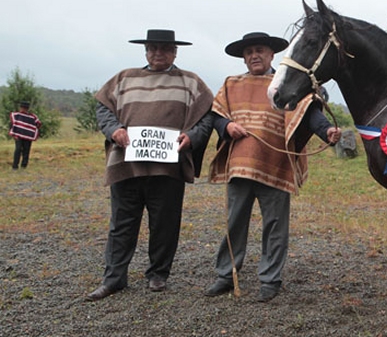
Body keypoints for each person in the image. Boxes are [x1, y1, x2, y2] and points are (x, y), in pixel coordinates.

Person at [204, 32, 341, 302]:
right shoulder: (231, 84)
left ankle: (270, 279)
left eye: (259, 50)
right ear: (244, 58)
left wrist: (326, 132)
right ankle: (225, 275)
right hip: (240, 166)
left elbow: (308, 112)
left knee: (276, 226)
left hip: (276, 165)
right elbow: (216, 114)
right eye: (249, 52)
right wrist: (227, 126)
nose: (254, 55)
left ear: (271, 55)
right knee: (234, 223)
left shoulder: (286, 83)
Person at [86, 29, 214, 301]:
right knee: (121, 224)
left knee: (165, 224)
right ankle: (114, 278)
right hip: (126, 165)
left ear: (175, 52)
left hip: (167, 168)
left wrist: (193, 137)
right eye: (153, 48)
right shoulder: (123, 78)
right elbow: (103, 109)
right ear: (145, 50)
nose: (158, 53)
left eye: (165, 49)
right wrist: (114, 130)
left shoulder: (191, 82)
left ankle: (158, 275)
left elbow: (207, 117)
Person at [9, 101, 41, 170]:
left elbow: (38, 124)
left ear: (27, 108)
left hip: (28, 137)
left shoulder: (32, 117)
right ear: (20, 107)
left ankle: (24, 166)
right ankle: (15, 166)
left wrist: (32, 131)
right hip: (18, 136)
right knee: (18, 150)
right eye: (23, 107)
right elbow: (12, 125)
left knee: (26, 151)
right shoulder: (16, 115)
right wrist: (14, 135)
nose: (23, 109)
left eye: (25, 108)